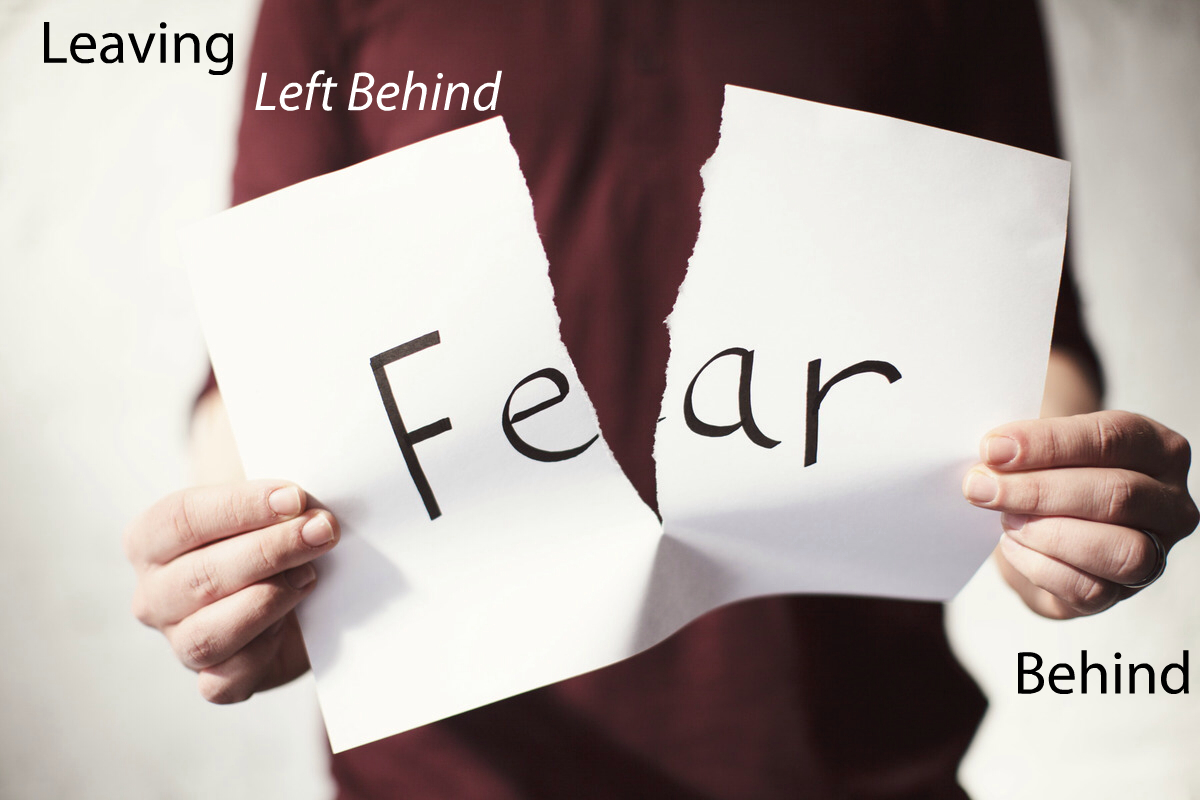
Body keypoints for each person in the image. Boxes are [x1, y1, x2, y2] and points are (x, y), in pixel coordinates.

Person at [124, 1, 1197, 797]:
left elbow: (1030, 334)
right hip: (448, 774)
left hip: (846, 759)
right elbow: (260, 342)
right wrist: (244, 572)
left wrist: (1053, 508)